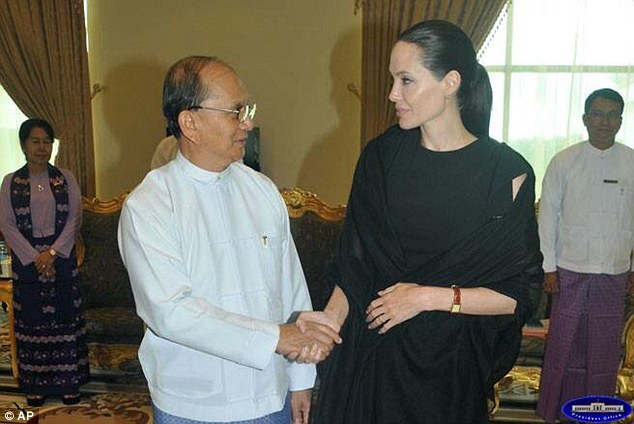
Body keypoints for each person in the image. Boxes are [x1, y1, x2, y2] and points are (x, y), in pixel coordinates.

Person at [312, 20, 543, 423]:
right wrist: (327, 325)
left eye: (406, 81)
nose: (392, 94)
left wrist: (425, 297)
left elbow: (518, 294)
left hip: (450, 374)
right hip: (375, 362)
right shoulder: (380, 158)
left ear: (450, 82)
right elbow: (354, 265)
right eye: (392, 80)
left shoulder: (506, 174)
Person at [118, 56, 341, 424]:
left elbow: (291, 287)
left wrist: (301, 379)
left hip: (270, 395)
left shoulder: (262, 190)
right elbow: (171, 312)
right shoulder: (150, 205)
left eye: (246, 109)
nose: (248, 123)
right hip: (190, 403)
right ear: (190, 122)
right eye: (235, 112)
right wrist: (276, 339)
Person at [536, 88, 634, 422]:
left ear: (621, 120)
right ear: (585, 118)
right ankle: (555, 412)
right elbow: (547, 217)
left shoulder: (631, 161)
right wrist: (548, 267)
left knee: (604, 350)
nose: (605, 122)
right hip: (569, 270)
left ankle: (597, 411)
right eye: (597, 114)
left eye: (612, 115)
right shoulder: (564, 161)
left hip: (615, 271)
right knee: (565, 343)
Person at [0, 118, 89, 407]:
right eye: (35, 141)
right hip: (28, 262)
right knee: (32, 323)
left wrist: (51, 253)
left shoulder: (66, 178)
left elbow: (74, 219)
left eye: (47, 141)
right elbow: (7, 224)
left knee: (64, 321)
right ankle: (36, 385)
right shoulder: (10, 182)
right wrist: (33, 256)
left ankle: (68, 384)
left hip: (60, 259)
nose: (42, 147)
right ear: (24, 145)